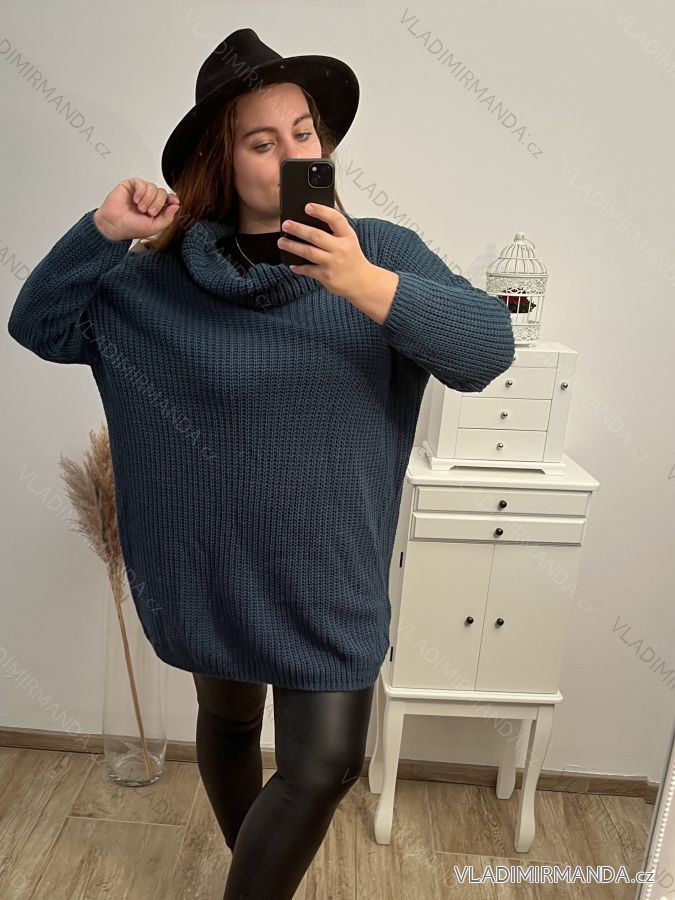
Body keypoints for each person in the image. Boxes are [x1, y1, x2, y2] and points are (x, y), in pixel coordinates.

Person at [7, 28, 515, 900]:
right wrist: (103, 231)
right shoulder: (155, 278)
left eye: (304, 133)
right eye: (261, 140)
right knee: (230, 720)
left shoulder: (379, 253)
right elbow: (39, 324)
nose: (293, 154)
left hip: (328, 576)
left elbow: (485, 350)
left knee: (323, 766)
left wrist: (359, 282)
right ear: (220, 159)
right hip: (208, 567)